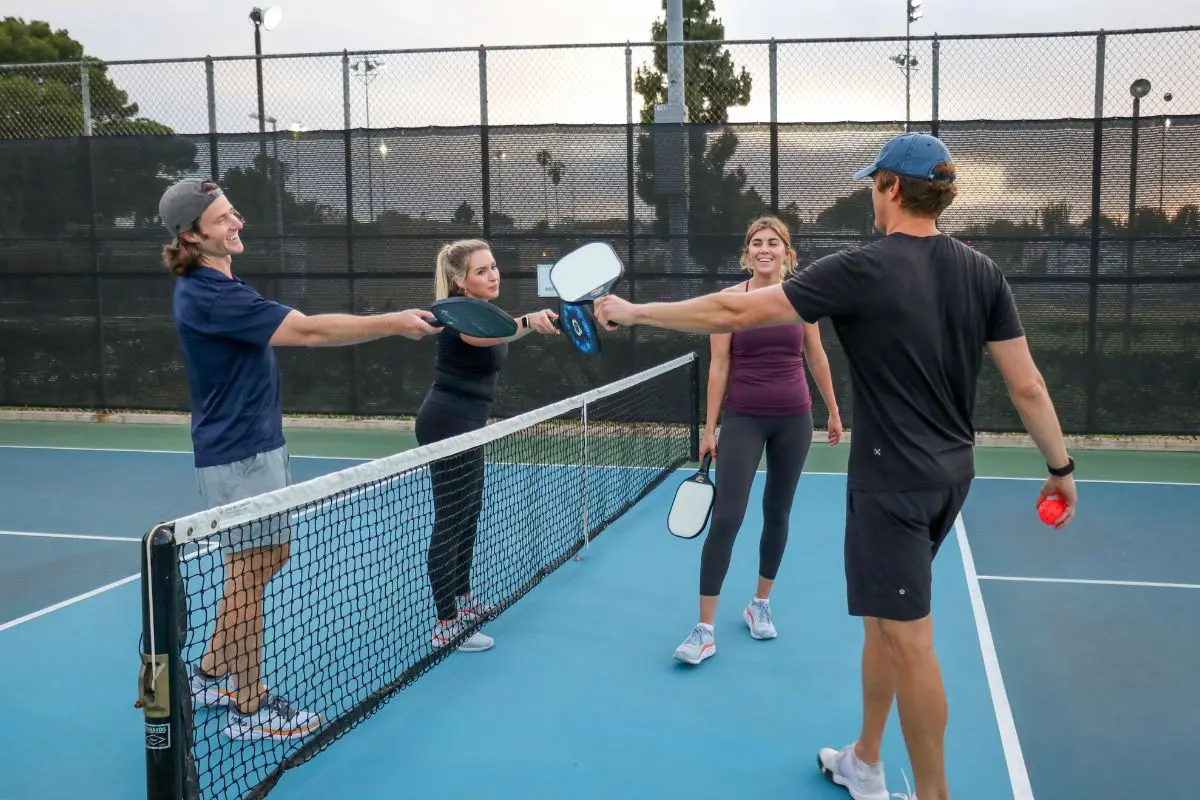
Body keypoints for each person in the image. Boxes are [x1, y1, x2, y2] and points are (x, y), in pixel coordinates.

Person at [595, 133, 1078, 800]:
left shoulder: (862, 267)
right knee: (884, 622)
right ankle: (865, 759)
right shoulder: (982, 271)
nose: (870, 195)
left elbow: (737, 308)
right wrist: (1060, 466)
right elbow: (1027, 386)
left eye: (873, 184)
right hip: (949, 476)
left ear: (893, 189)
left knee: (909, 641)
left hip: (892, 483)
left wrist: (636, 310)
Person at [160, 178, 442, 741]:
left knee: (266, 559)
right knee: (247, 573)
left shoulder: (219, 286)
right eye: (221, 220)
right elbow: (309, 332)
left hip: (256, 445)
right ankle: (249, 705)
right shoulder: (212, 295)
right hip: (239, 455)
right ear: (191, 236)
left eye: (234, 212)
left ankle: (212, 672)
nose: (236, 223)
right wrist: (392, 322)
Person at [673, 215, 843, 667]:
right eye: (756, 243)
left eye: (773, 242)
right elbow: (718, 366)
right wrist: (709, 428)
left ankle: (759, 603)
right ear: (747, 253)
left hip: (795, 418)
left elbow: (816, 354)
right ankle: (704, 629)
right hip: (744, 417)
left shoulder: (801, 299)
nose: (764, 249)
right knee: (727, 516)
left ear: (787, 252)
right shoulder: (728, 302)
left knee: (778, 511)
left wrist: (833, 409)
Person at [416, 238, 560, 654]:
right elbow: (494, 335)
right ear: (461, 282)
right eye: (482, 270)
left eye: (494, 266)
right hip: (446, 424)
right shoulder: (458, 317)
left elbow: (504, 329)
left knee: (469, 513)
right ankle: (445, 623)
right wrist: (531, 322)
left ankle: (462, 599)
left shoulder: (487, 314)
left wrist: (541, 322)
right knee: (450, 519)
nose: (493, 274)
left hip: (470, 425)